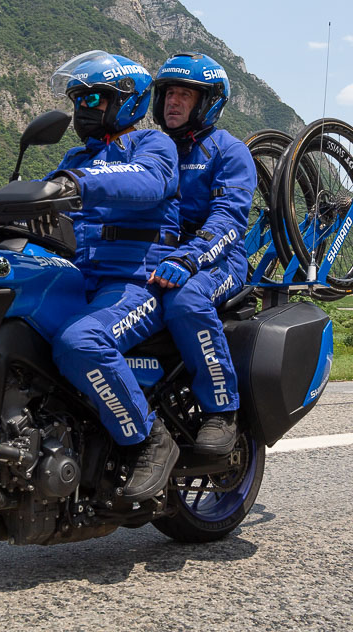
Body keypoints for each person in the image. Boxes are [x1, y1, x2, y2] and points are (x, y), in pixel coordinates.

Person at [45, 50, 181, 502]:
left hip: (135, 283)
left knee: (81, 342)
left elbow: (146, 180)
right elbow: (38, 200)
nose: (84, 109)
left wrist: (79, 182)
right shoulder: (75, 156)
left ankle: (149, 439)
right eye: (78, 100)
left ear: (127, 101)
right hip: (75, 281)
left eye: (95, 99)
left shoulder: (152, 146)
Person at [148, 52, 256, 454]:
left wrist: (189, 258)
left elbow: (229, 219)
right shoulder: (151, 148)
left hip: (218, 260)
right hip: (159, 257)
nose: (173, 102)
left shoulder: (228, 151)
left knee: (186, 302)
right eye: (169, 93)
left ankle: (220, 409)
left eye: (185, 95)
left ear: (207, 102)